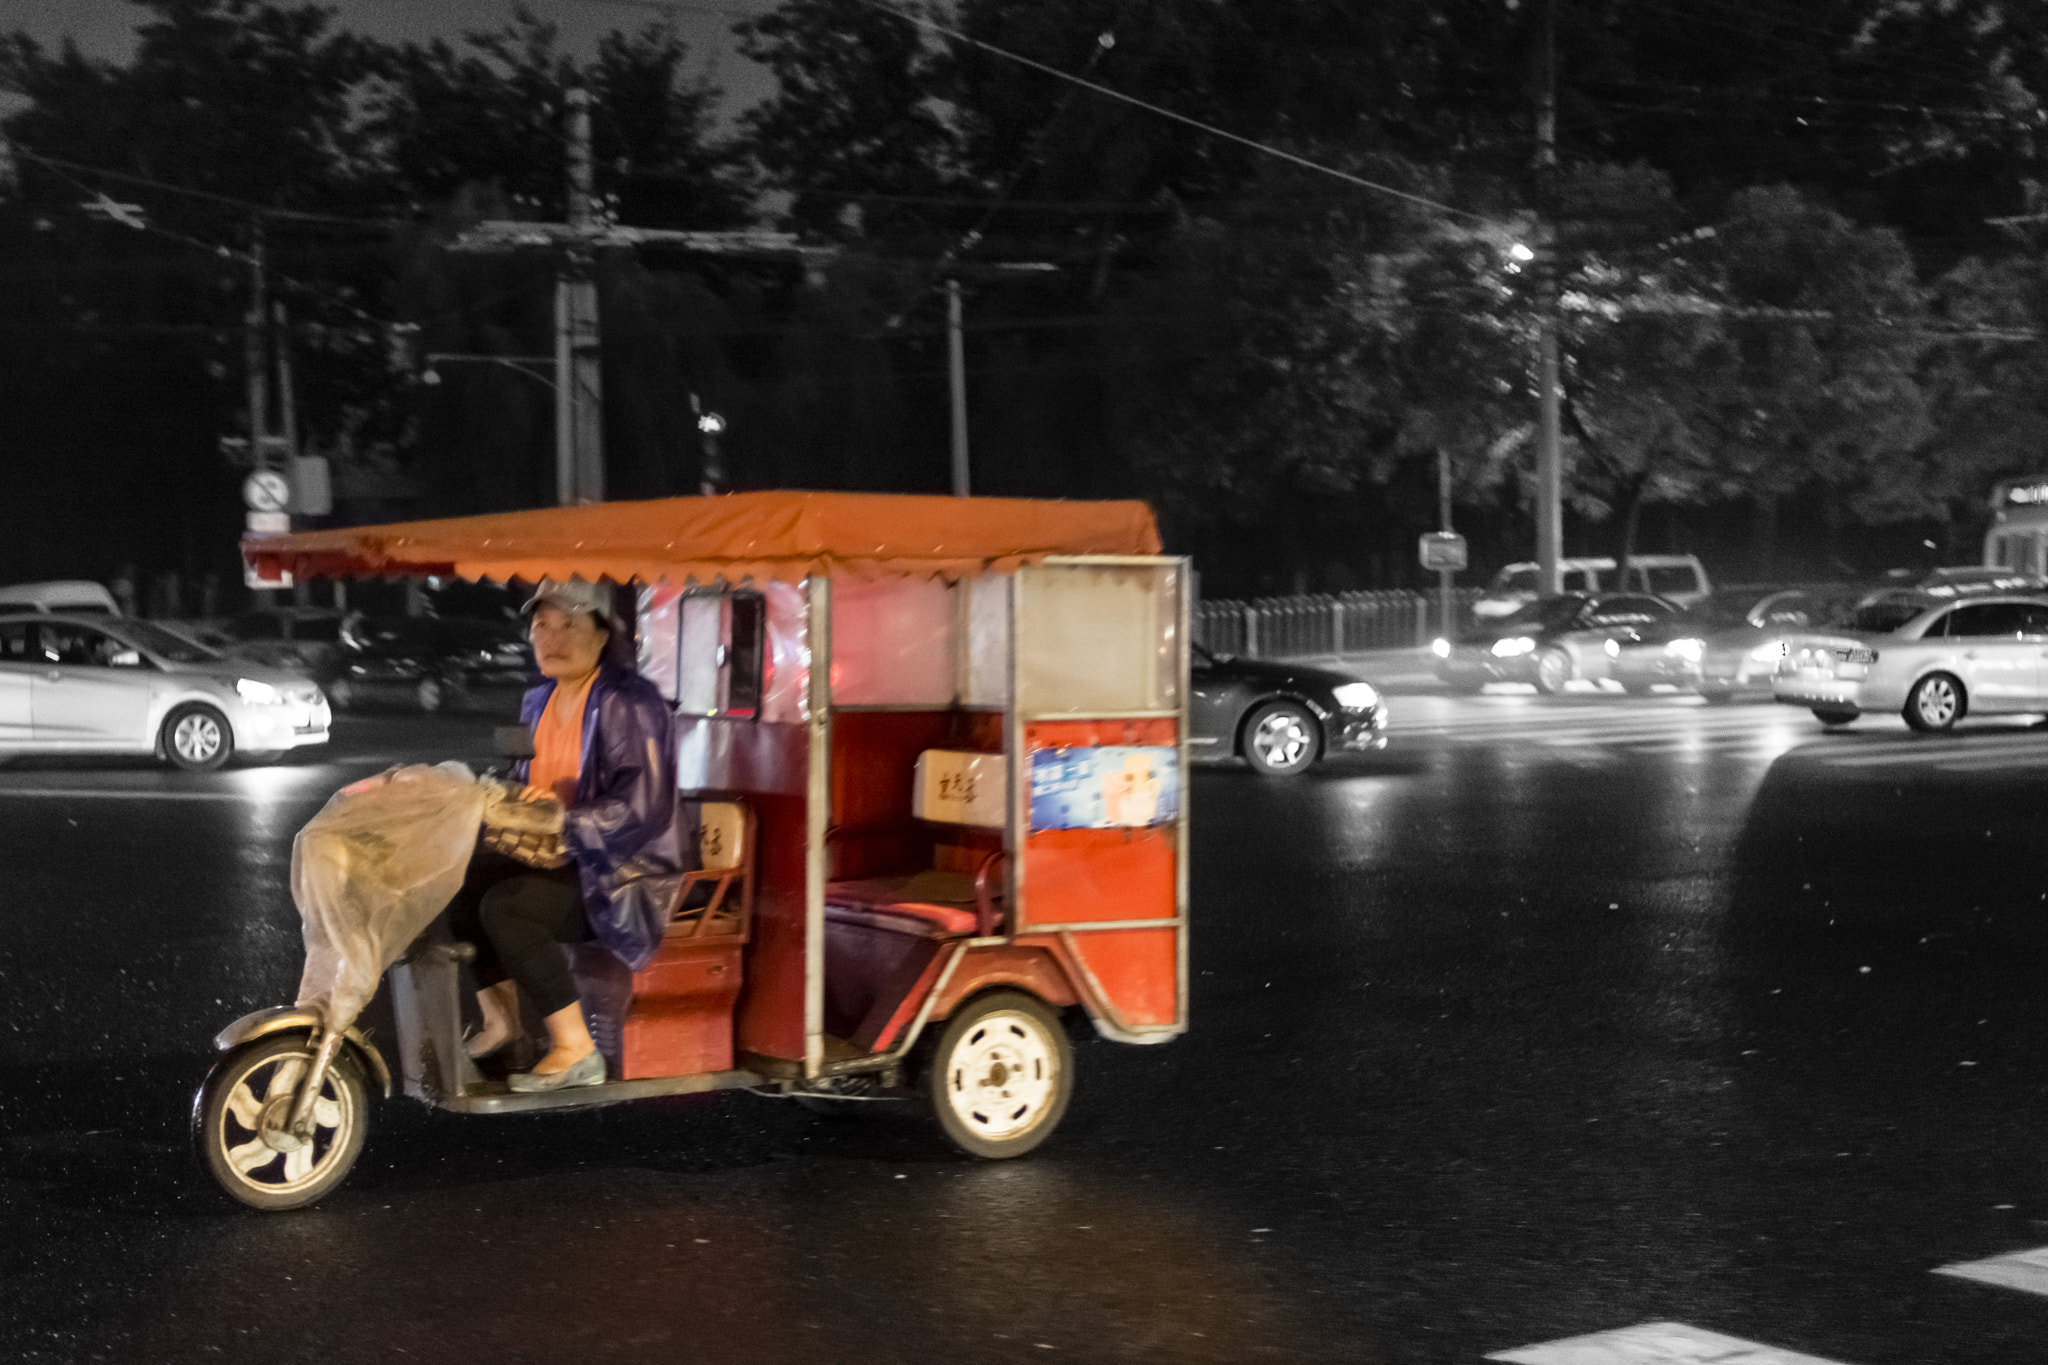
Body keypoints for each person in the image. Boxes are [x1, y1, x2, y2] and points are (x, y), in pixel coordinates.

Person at [445, 579, 684, 1093]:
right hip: (560, 855)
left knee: (508, 906)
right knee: (460, 884)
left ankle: (576, 1048)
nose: (552, 637)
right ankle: (503, 1026)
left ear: (603, 634)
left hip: (620, 871)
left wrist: (563, 820)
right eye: (541, 625)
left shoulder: (630, 702)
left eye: (570, 624)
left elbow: (643, 804)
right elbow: (522, 779)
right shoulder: (538, 699)